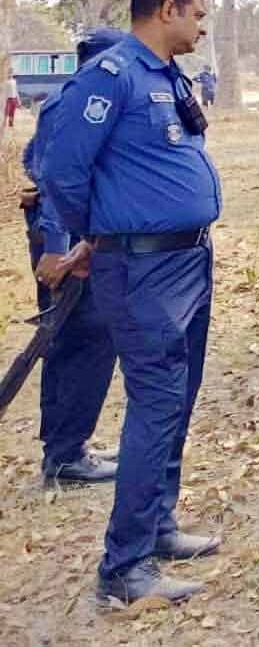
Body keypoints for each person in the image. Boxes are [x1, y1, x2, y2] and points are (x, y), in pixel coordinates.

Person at [40, 0, 224, 605]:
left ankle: (159, 524)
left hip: (189, 260)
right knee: (155, 402)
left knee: (178, 397)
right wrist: (94, 235)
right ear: (167, 9)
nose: (202, 25)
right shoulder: (111, 76)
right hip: (141, 267)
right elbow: (61, 168)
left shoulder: (168, 75)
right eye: (197, 14)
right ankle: (125, 567)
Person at [23, 28, 126, 486]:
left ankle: (66, 446)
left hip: (74, 235)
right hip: (66, 239)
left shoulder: (71, 99)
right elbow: (54, 179)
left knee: (71, 341)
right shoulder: (75, 104)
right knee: (85, 339)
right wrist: (57, 247)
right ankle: (65, 456)